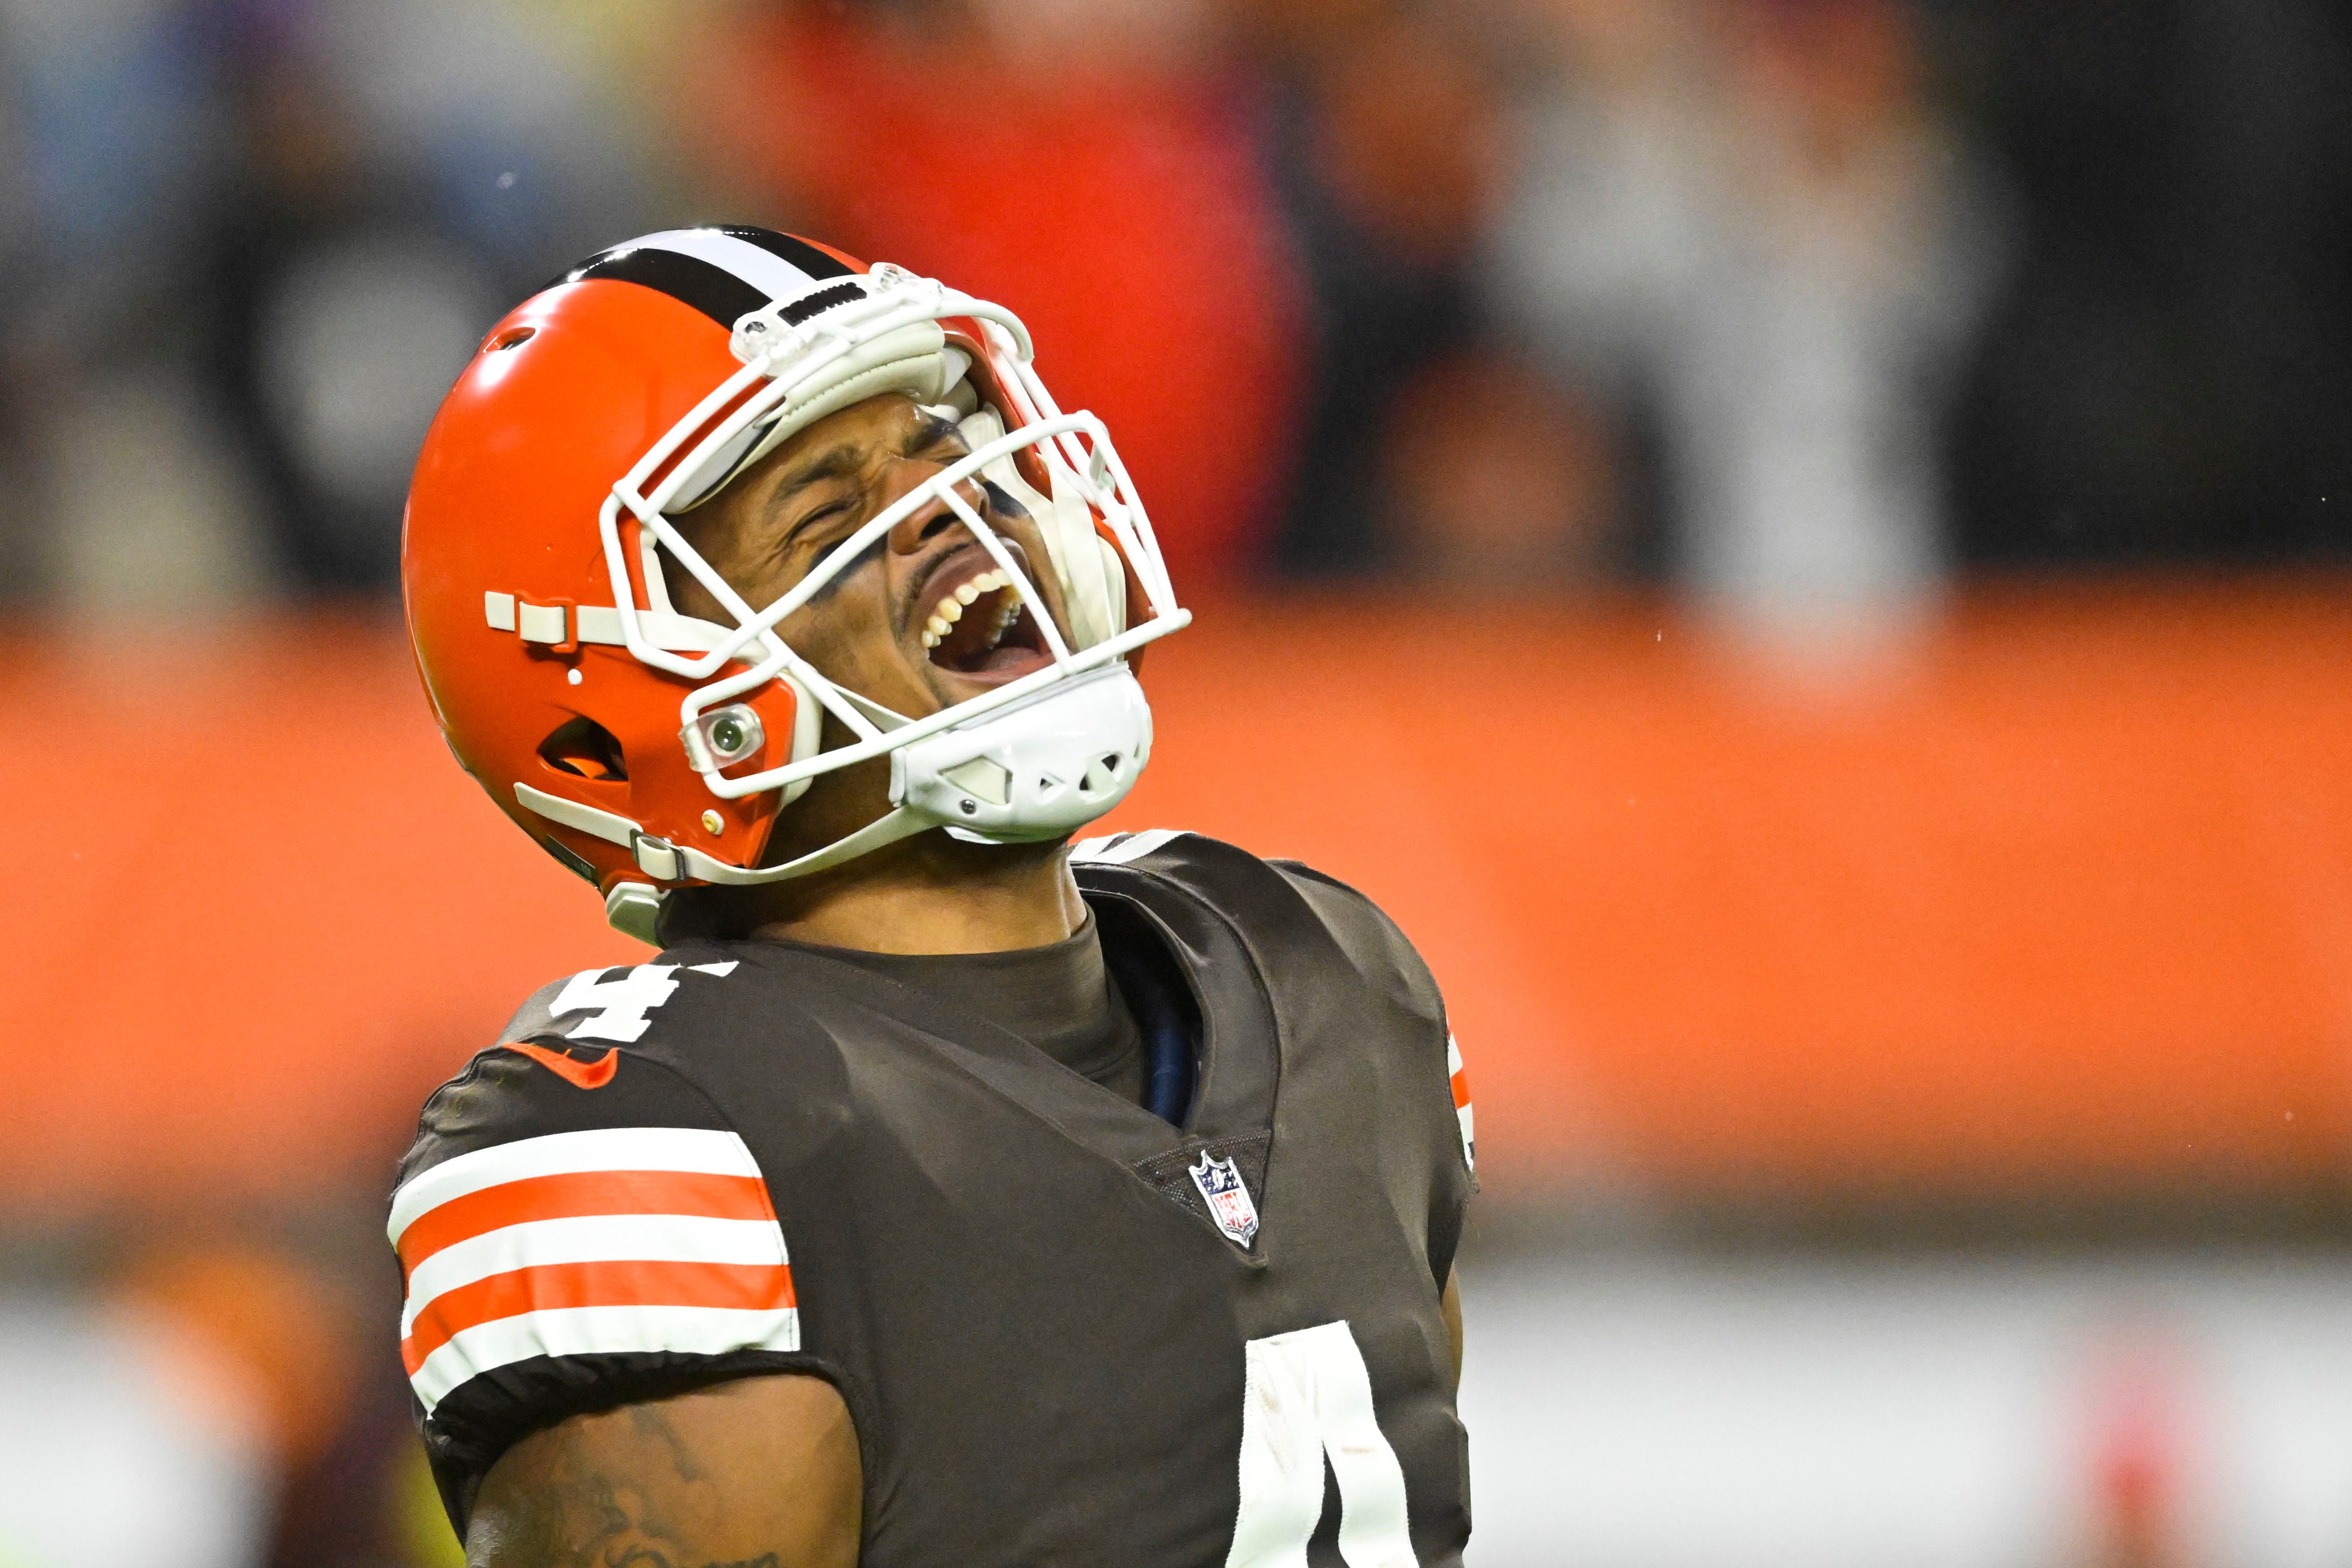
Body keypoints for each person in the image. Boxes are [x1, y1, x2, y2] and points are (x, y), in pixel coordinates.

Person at [394, 224, 1477, 1567]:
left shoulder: (1322, 974)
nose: (959, 516)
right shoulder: (688, 1146)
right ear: (624, 710)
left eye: (952, 450)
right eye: (831, 514)